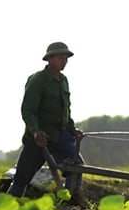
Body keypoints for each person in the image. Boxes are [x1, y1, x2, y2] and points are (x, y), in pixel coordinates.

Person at [6, 42, 85, 201]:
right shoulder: (38, 80)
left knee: (76, 166)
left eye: (66, 58)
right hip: (39, 139)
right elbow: (28, 110)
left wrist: (72, 129)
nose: (64, 61)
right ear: (49, 59)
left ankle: (72, 203)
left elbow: (65, 112)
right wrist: (36, 131)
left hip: (60, 137)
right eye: (61, 58)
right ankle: (7, 208)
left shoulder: (64, 81)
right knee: (22, 178)